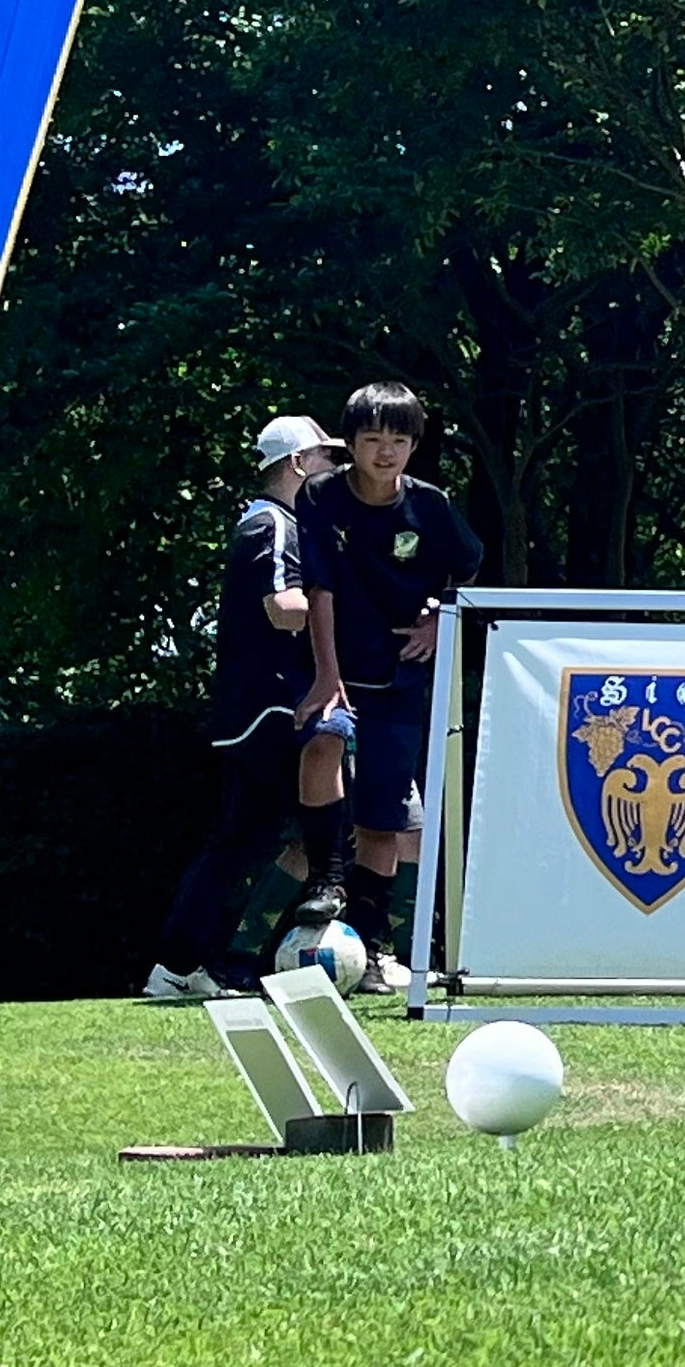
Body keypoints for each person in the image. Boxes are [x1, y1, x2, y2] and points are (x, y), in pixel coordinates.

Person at [142, 412, 346, 1003]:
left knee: (248, 840)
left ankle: (190, 964)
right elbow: (283, 608)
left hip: (259, 711)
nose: (337, 470)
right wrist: (347, 611)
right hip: (271, 711)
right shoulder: (273, 524)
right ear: (298, 464)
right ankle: (202, 961)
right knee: (303, 833)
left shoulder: (274, 522)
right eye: (327, 458)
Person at [298, 383, 486, 993]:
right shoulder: (321, 495)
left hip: (400, 680)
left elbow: (468, 569)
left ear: (413, 446)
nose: (385, 452)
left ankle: (368, 950)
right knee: (322, 742)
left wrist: (435, 619)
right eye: (373, 438)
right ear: (350, 443)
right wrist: (327, 675)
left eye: (399, 440)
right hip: (331, 670)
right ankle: (324, 880)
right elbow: (320, 586)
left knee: (385, 822)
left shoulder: (431, 506)